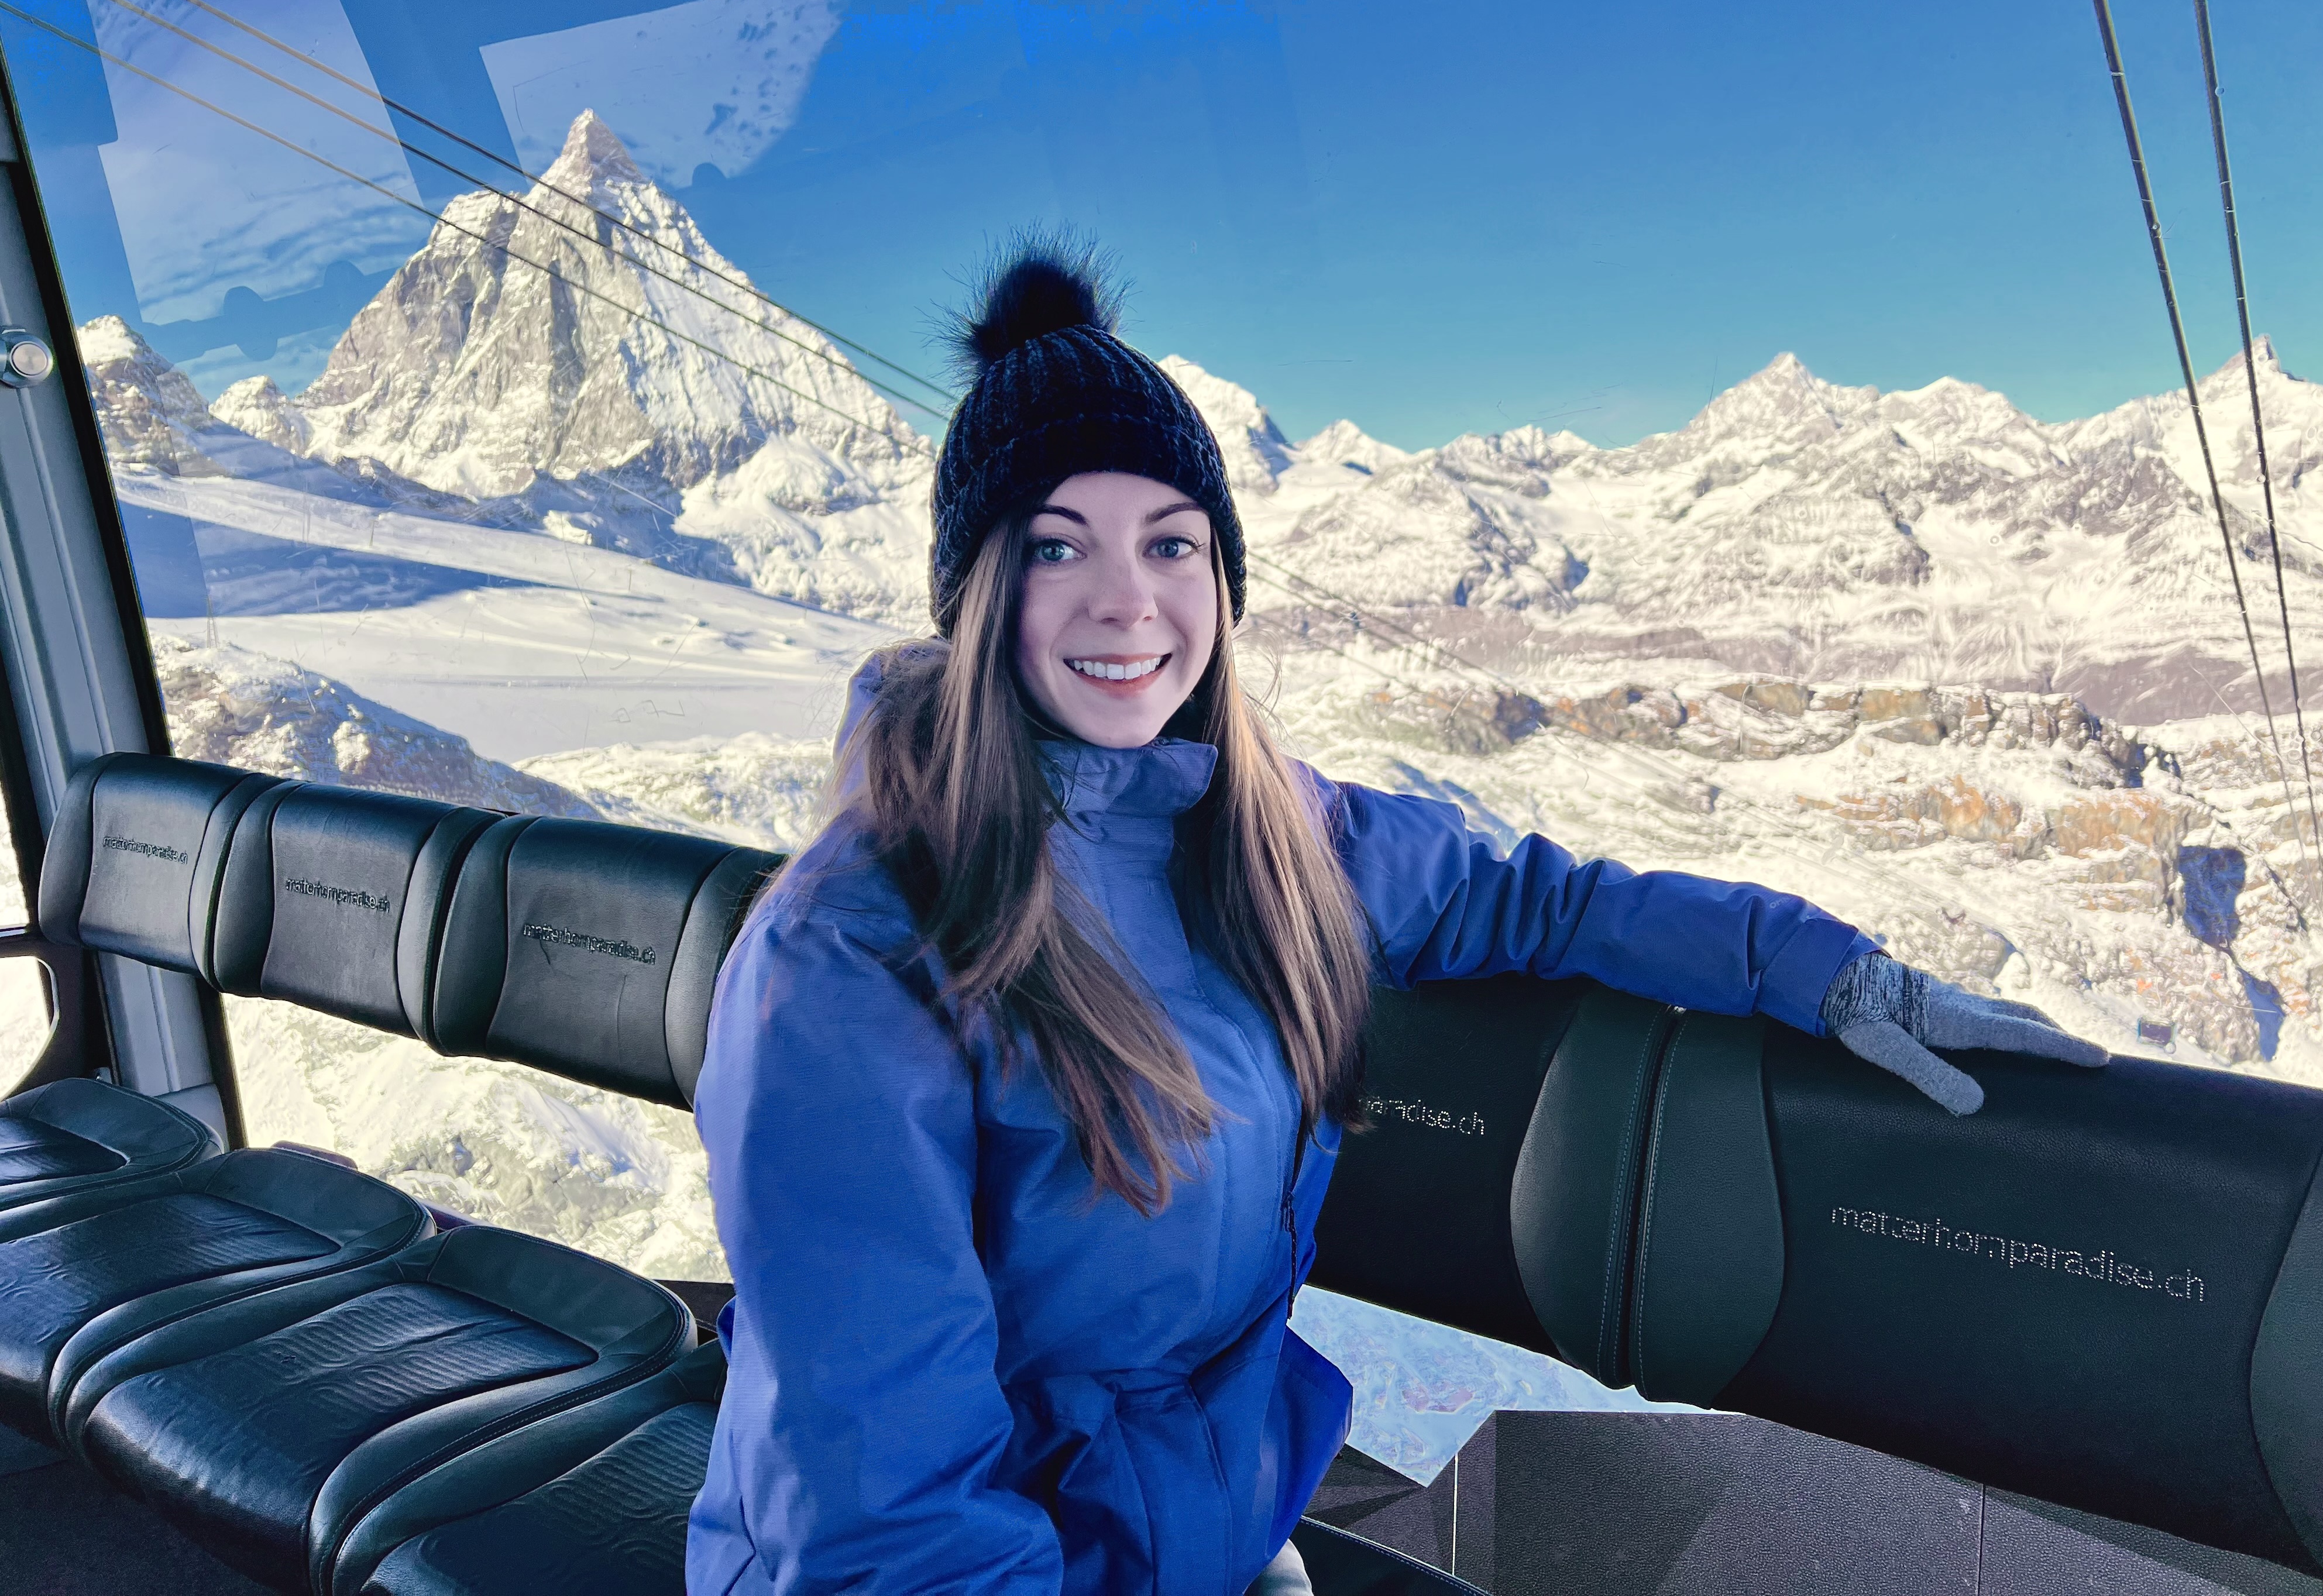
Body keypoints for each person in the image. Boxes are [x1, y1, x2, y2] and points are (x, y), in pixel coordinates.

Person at [687, 241, 2107, 1596]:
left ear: (1223, 582)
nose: (1130, 603)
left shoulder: (1271, 837)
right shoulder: (851, 952)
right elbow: (888, 1508)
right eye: (1059, 548)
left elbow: (1538, 899)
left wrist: (1825, 972)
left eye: (1173, 544)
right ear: (979, 591)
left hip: (1192, 1521)